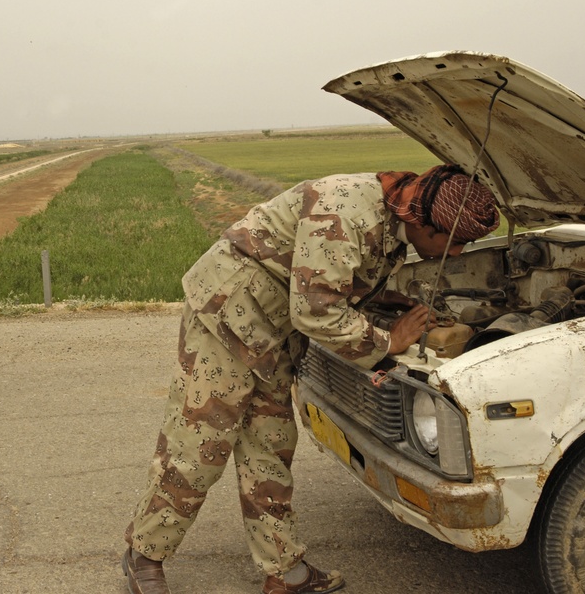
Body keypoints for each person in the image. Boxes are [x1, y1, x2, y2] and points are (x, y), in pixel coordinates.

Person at [123, 165, 500, 594]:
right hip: (228, 314)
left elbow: (344, 282)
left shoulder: (395, 213)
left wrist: (394, 305)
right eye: (451, 241)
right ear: (420, 220)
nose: (456, 252)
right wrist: (388, 341)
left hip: (274, 326)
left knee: (271, 445)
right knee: (201, 444)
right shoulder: (344, 215)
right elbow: (316, 310)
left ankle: (283, 571)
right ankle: (144, 555)